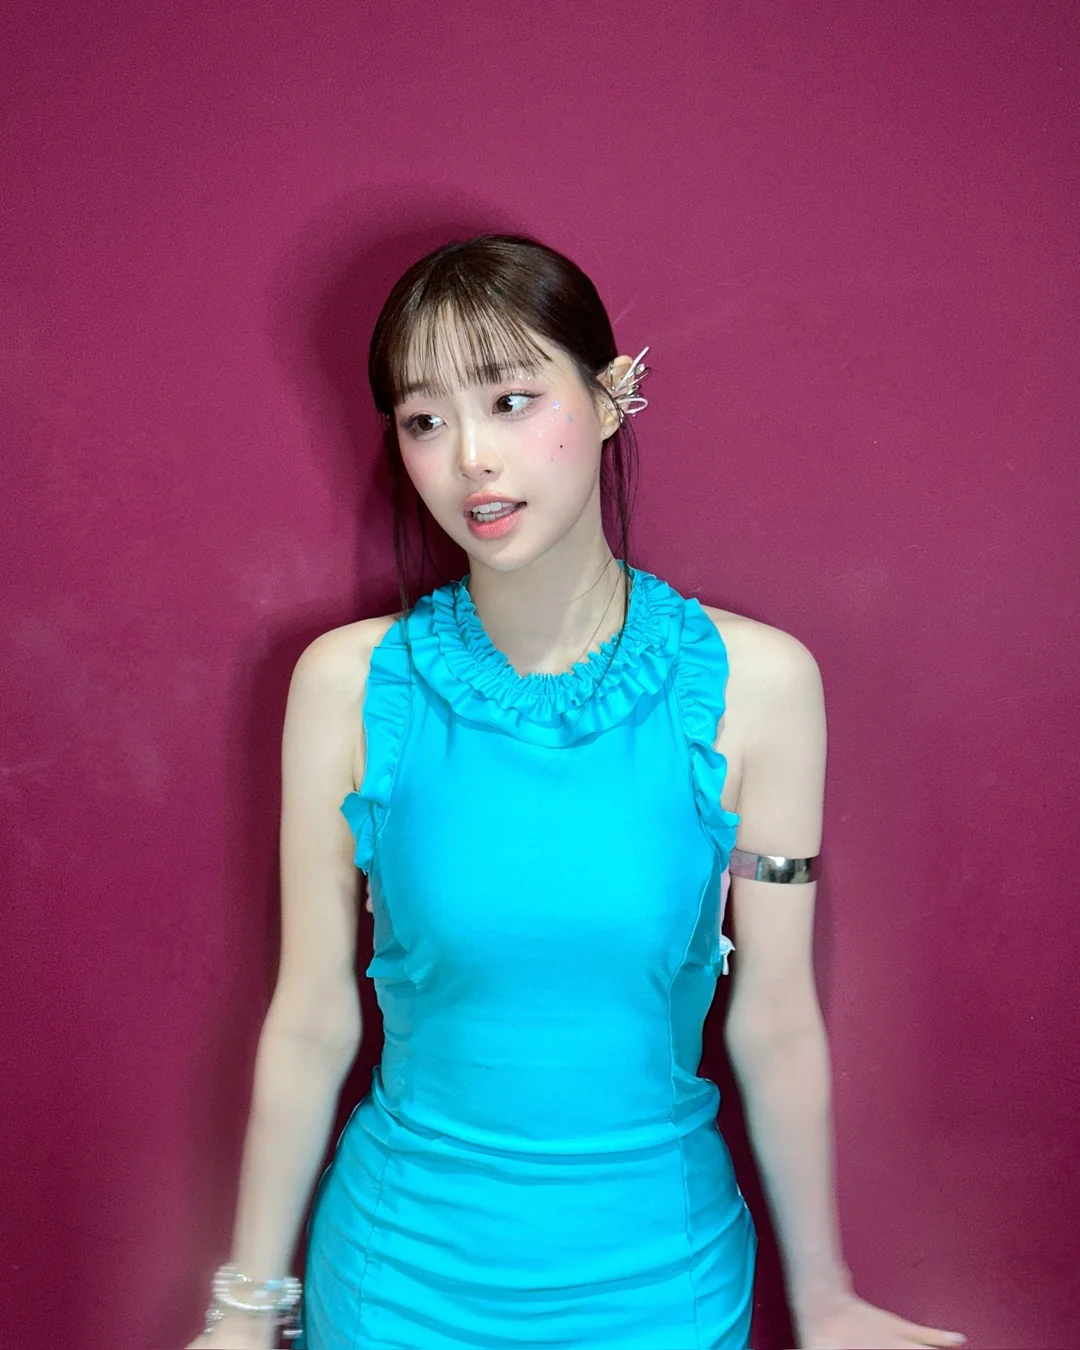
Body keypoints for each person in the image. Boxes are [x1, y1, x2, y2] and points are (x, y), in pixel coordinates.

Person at [187, 235, 968, 1349]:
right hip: (399, 1284)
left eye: (511, 401)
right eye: (425, 420)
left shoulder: (761, 686)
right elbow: (311, 1017)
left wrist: (825, 1297)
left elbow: (777, 1019)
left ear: (609, 397)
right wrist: (243, 1311)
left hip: (662, 1287)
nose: (471, 459)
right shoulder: (346, 686)